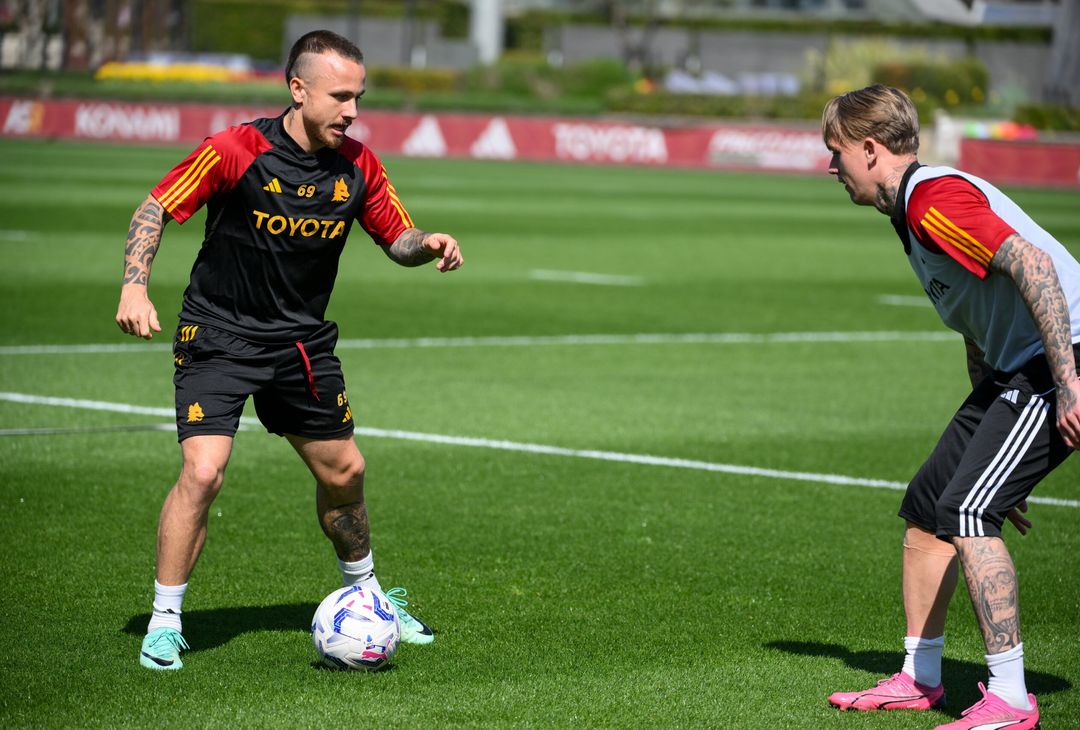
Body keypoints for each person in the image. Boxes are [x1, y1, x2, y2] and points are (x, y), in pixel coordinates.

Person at [116, 30, 463, 671]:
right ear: (297, 89)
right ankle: (165, 621)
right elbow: (155, 207)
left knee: (346, 472)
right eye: (339, 96)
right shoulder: (235, 149)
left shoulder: (358, 165)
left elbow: (396, 237)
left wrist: (428, 243)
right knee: (203, 471)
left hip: (300, 344)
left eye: (358, 97)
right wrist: (134, 286)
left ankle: (369, 596)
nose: (352, 111)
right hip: (219, 335)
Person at [820, 85, 1080, 729]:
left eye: (837, 152)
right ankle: (919, 676)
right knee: (931, 504)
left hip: (1062, 354)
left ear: (872, 149)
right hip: (1017, 366)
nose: (831, 167)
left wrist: (1070, 383)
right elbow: (975, 315)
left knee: (967, 509)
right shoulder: (910, 212)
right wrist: (995, 436)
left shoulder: (935, 198)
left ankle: (1011, 699)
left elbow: (1033, 264)